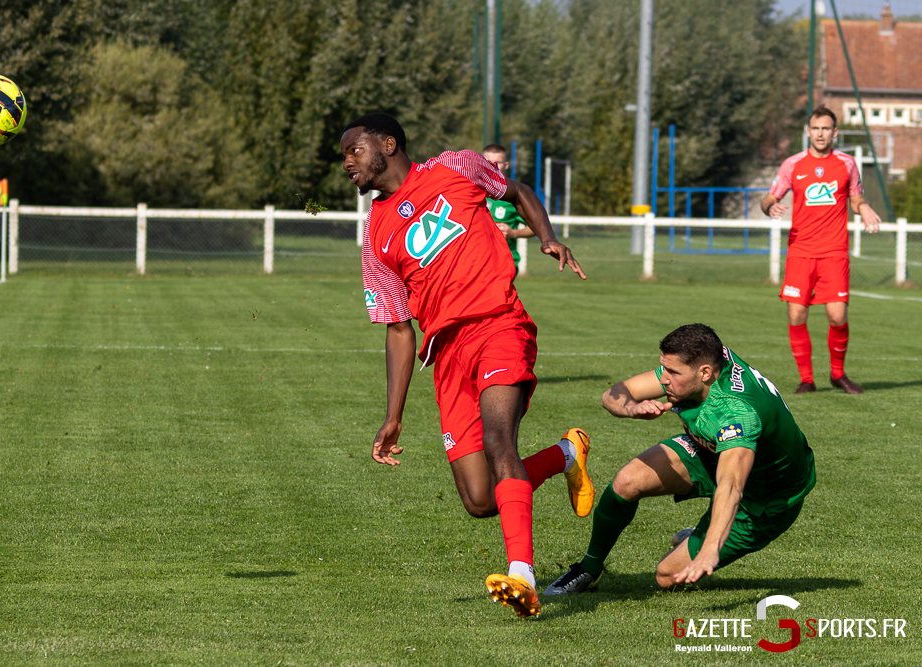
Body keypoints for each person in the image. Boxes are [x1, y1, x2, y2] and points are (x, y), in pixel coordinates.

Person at [340, 113, 592, 618]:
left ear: (387, 144)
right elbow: (398, 329)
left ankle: (522, 577)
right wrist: (393, 416)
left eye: (354, 150)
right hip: (447, 354)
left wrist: (547, 235)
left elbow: (517, 191)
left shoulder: (456, 166)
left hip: (499, 325)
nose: (347, 162)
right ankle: (567, 453)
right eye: (343, 156)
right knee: (479, 499)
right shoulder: (375, 235)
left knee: (500, 442)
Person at [544, 324, 815, 595]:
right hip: (711, 449)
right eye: (664, 368)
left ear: (705, 373)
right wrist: (632, 408)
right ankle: (589, 568)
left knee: (666, 575)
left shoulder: (736, 415)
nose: (663, 379)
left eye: (673, 372)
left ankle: (701, 538)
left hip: (766, 497)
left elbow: (731, 486)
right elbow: (613, 395)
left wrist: (709, 549)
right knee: (628, 481)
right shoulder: (705, 361)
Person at [760, 105, 882, 395]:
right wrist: (770, 207)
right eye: (815, 128)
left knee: (838, 316)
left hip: (834, 251)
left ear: (834, 132)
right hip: (800, 251)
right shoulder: (792, 164)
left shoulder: (847, 164)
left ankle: (838, 375)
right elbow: (768, 198)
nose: (820, 134)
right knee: (796, 316)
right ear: (808, 131)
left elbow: (856, 199)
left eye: (825, 128)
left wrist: (864, 208)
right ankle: (807, 380)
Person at [481, 144, 536, 275]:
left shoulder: (515, 195)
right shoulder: (472, 190)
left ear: (506, 165)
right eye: (488, 162)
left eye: (497, 163)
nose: (492, 166)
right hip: (476, 261)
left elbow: (536, 227)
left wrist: (514, 233)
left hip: (503, 263)